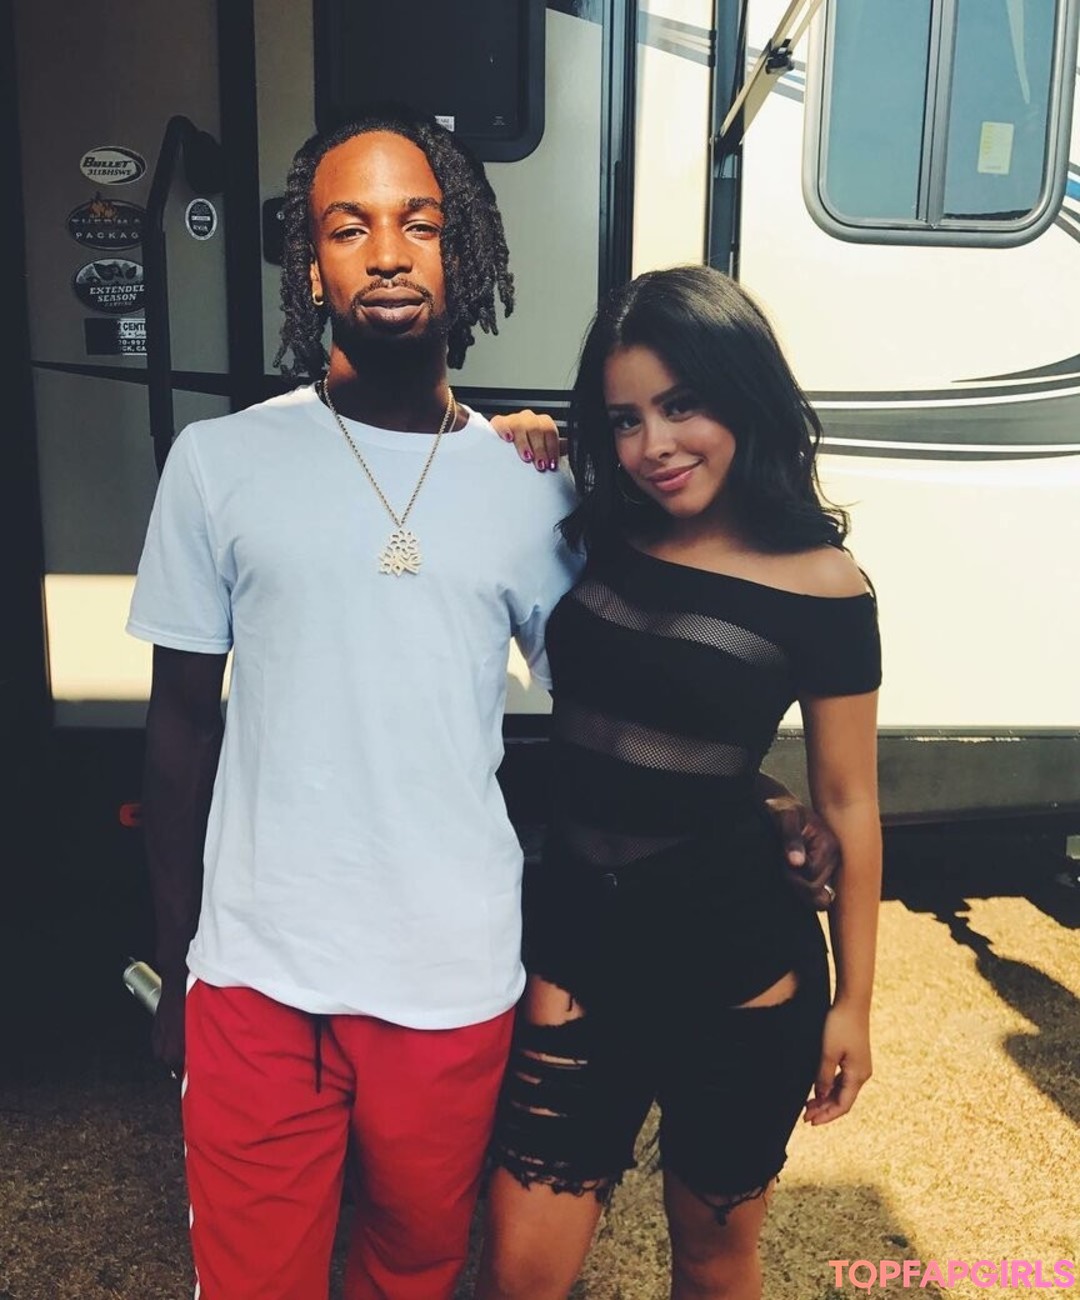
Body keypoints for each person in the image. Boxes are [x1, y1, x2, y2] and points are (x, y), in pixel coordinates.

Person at [126, 102, 839, 1300]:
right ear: (309, 261)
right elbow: (181, 726)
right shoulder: (220, 463)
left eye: (419, 223)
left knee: (412, 1271)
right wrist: (171, 957)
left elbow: (622, 704)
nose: (387, 253)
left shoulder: (529, 487)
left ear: (463, 252)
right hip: (255, 977)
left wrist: (763, 796)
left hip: (452, 977)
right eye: (349, 226)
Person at [476, 265, 882, 1300]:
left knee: (710, 1259)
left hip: (738, 969)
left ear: (742, 393)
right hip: (579, 938)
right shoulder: (602, 521)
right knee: (519, 1273)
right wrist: (506, 443)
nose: (653, 444)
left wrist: (855, 1006)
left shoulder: (825, 586)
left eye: (681, 405)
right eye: (625, 419)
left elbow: (849, 801)